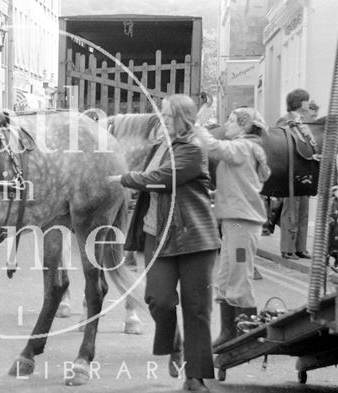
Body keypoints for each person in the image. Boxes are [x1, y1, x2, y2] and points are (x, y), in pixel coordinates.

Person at [109, 94, 220, 392]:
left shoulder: (193, 149)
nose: (163, 119)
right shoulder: (159, 148)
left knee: (197, 309)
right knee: (158, 300)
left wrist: (125, 178)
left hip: (195, 239)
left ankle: (195, 376)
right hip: (157, 235)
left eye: (169, 115)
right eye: (163, 114)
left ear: (184, 118)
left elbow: (161, 179)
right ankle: (175, 344)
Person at [194, 108, 271, 347]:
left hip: (241, 223)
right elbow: (243, 183)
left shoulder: (242, 147)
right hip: (235, 221)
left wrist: (196, 126)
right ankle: (229, 333)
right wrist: (216, 193)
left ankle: (246, 336)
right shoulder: (250, 148)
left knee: (238, 276)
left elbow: (214, 147)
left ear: (244, 126)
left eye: (231, 121)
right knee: (227, 277)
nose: (227, 125)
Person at [276, 89, 313, 260]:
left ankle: (300, 247)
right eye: (306, 100)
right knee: (291, 210)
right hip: (290, 171)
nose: (308, 103)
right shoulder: (284, 121)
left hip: (304, 171)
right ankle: (287, 248)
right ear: (298, 102)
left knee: (303, 210)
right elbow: (280, 144)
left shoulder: (305, 122)